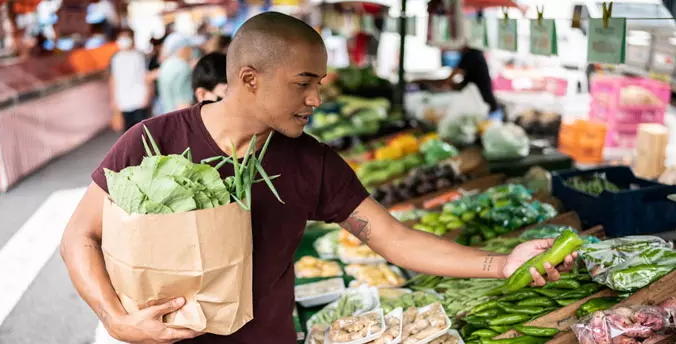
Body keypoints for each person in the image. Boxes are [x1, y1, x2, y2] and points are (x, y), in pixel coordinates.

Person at [60, 12, 577, 344]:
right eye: (303, 84)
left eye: (320, 84)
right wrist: (115, 319)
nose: (316, 99)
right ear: (249, 79)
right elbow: (79, 236)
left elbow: (393, 238)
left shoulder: (313, 161)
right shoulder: (154, 140)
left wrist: (502, 262)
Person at [109, 29, 150, 131]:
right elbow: (113, 80)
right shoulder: (115, 58)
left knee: (143, 133)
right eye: (121, 37)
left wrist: (147, 95)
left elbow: (146, 77)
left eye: (126, 37)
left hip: (140, 100)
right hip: (123, 102)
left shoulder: (139, 56)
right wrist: (114, 101)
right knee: (128, 134)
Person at [441, 43, 499, 115]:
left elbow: (456, 73)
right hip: (481, 99)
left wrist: (445, 83)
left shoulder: (471, 54)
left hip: (483, 101)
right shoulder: (476, 54)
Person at [157, 33, 196, 113]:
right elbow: (184, 104)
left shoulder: (165, 64)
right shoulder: (183, 68)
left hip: (167, 116)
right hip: (178, 120)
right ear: (182, 48)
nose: (192, 51)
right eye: (189, 47)